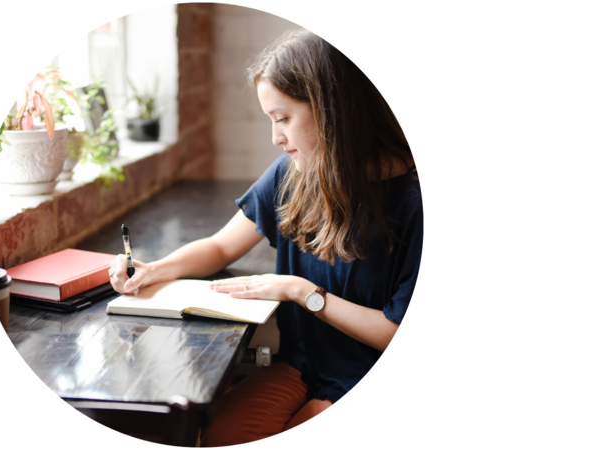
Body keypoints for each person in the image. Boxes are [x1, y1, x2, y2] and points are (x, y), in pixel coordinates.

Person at [107, 28, 422, 446]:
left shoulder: (416, 203)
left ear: (331, 110)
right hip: (301, 366)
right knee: (217, 436)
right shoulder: (292, 173)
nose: (276, 138)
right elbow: (221, 245)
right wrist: (154, 270)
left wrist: (301, 291)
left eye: (283, 119)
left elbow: (397, 332)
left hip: (368, 376)